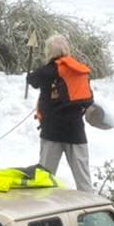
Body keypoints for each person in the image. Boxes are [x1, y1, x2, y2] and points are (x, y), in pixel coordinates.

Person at [26, 33, 94, 192]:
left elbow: (32, 80)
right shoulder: (80, 70)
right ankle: (92, 209)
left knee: (44, 179)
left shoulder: (48, 70)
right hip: (76, 132)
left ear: (49, 52)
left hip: (52, 132)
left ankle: (41, 210)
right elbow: (88, 100)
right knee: (84, 182)